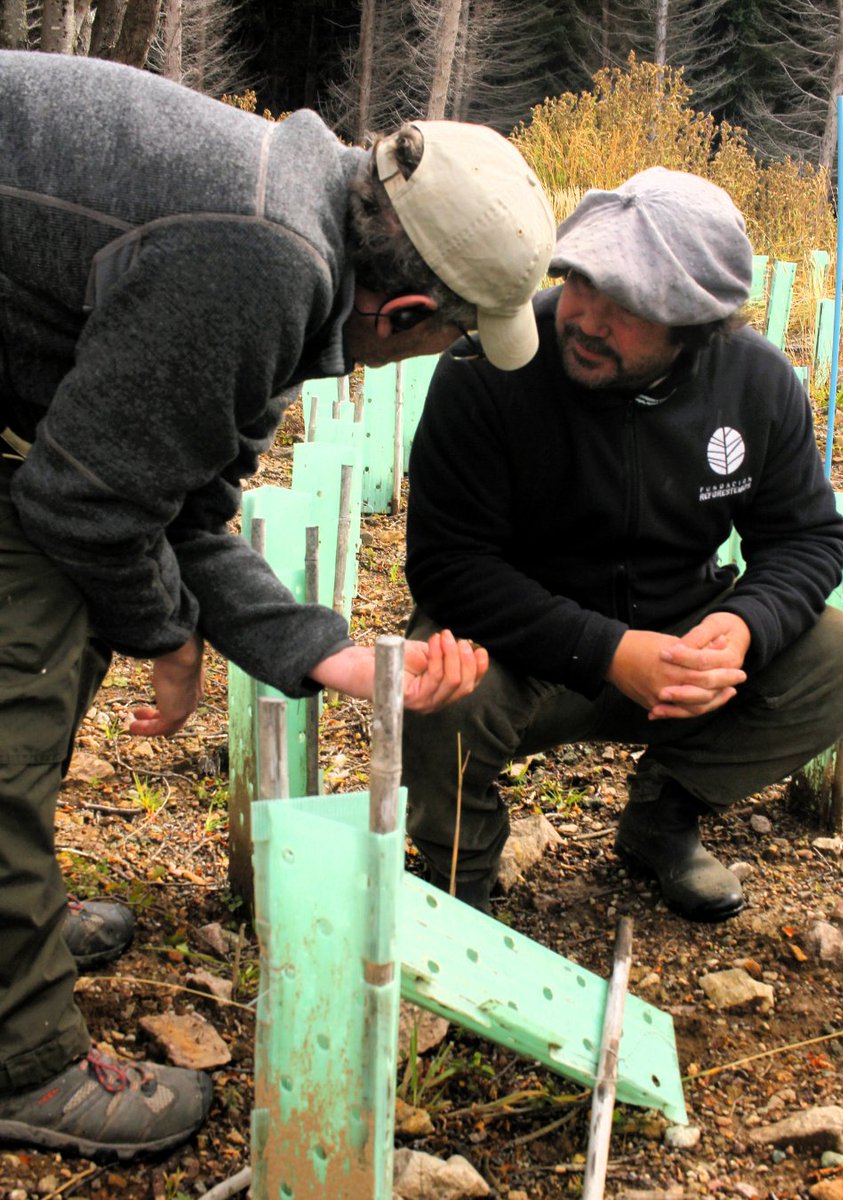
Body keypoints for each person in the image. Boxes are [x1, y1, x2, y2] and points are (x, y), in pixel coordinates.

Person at [0, 49, 555, 1160]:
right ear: (403, 311)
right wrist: (168, 632)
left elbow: (181, 493)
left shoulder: (298, 217)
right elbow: (89, 503)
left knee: (67, 618)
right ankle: (19, 1061)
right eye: (449, 338)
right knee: (19, 673)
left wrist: (326, 655)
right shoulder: (257, 261)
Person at [401, 167, 843, 921]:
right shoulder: (490, 368)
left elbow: (805, 538)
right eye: (581, 283)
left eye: (628, 307)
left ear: (695, 323)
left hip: (680, 635)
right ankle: (459, 879)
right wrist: (610, 652)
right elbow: (447, 564)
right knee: (439, 689)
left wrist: (747, 624)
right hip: (525, 651)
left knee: (838, 657)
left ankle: (663, 814)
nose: (587, 318)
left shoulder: (756, 383)